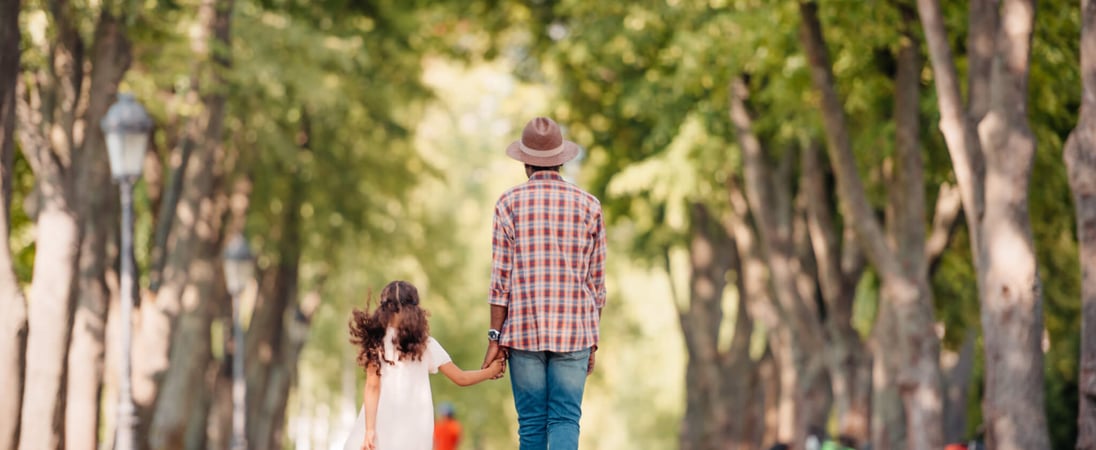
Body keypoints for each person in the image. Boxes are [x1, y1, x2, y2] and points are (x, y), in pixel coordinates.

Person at [481, 116, 607, 450]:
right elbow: (596, 285)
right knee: (565, 419)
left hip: (523, 331)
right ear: (562, 159)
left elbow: (500, 281)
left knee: (532, 424)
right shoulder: (589, 206)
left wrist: (495, 337)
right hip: (575, 332)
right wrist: (592, 339)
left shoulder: (508, 204)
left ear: (525, 162)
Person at [345, 280, 505, 450]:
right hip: (414, 428)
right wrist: (491, 371)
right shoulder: (425, 344)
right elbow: (461, 378)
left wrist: (369, 430)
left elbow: (372, 387)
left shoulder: (377, 343)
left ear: (384, 310)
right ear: (415, 310)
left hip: (381, 420)